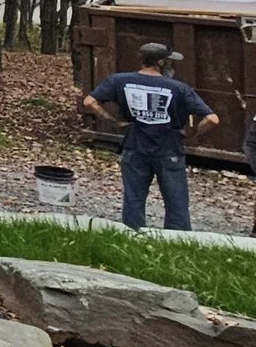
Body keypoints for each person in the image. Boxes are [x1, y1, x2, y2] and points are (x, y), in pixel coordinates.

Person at [81, 42, 219, 231]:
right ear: (161, 63)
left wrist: (113, 121)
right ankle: (177, 239)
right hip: (169, 148)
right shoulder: (179, 88)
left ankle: (132, 235)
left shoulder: (119, 81)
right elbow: (212, 119)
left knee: (134, 197)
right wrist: (191, 134)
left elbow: (89, 102)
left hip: (134, 145)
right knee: (176, 199)